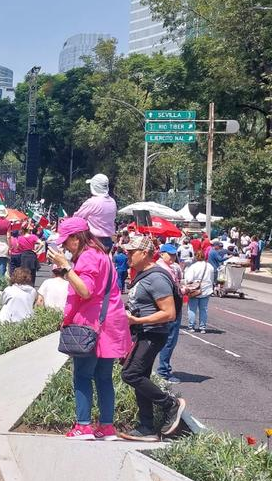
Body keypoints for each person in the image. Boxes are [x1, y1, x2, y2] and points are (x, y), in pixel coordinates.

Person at [47, 217, 131, 441]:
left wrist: (66, 268)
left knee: (82, 375)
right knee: (103, 377)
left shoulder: (88, 256)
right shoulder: (103, 254)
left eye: (66, 241)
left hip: (92, 323)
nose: (64, 246)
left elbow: (85, 291)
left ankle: (83, 426)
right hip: (110, 322)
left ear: (77, 238)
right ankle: (107, 427)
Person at [120, 236, 186, 442]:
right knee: (141, 377)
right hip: (143, 332)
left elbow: (169, 313)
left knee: (130, 374)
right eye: (127, 251)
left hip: (152, 333)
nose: (127, 255)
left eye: (132, 252)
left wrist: (138, 320)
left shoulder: (157, 278)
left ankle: (170, 404)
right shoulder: (142, 274)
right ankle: (146, 427)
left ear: (146, 253)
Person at [155, 243, 184, 384]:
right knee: (168, 340)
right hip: (169, 309)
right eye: (170, 254)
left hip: (173, 308)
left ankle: (163, 370)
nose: (173, 257)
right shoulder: (161, 269)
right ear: (162, 254)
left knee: (168, 341)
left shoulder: (170, 268)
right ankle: (163, 372)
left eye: (174, 254)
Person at [73, 173, 118, 251]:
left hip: (94, 241)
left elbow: (76, 218)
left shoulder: (92, 202)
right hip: (108, 241)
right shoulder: (112, 201)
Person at [183, 248, 214, 333]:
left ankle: (191, 326)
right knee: (203, 309)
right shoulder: (210, 266)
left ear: (196, 257)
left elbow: (189, 279)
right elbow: (212, 279)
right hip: (206, 289)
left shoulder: (193, 266)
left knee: (192, 309)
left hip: (195, 290)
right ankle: (202, 327)